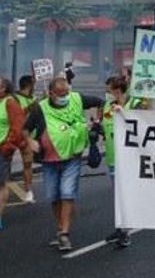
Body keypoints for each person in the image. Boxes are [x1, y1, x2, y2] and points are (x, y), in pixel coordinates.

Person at [24, 77, 104, 251]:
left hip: (72, 158)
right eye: (61, 94)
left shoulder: (76, 98)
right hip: (49, 160)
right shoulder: (41, 108)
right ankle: (61, 228)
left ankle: (65, 233)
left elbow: (101, 103)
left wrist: (97, 122)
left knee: (67, 193)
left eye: (66, 92)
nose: (65, 96)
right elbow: (25, 129)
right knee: (54, 196)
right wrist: (30, 142)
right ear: (51, 93)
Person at [102, 76, 146, 248]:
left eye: (108, 90)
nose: (106, 94)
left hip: (130, 158)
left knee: (124, 196)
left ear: (117, 90)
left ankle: (125, 232)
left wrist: (125, 114)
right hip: (113, 157)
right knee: (118, 198)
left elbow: (144, 124)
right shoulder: (107, 105)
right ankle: (121, 229)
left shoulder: (135, 103)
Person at [0, 78, 24, 230]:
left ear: (4, 89)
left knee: (0, 184)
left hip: (1, 149)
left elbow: (18, 128)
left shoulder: (10, 103)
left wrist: (7, 147)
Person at [15, 74, 36, 203]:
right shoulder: (14, 98)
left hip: (27, 135)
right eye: (33, 84)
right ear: (29, 85)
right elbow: (19, 113)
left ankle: (28, 190)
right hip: (13, 135)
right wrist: (34, 105)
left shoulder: (33, 98)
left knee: (28, 164)